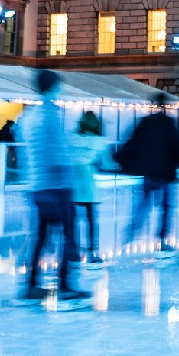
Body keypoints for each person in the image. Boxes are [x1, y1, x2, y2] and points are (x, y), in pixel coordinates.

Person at [14, 70, 91, 307]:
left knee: (40, 236)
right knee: (68, 235)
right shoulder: (52, 115)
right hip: (57, 186)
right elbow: (59, 151)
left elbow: (24, 151)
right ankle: (66, 286)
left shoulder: (27, 117)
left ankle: (30, 285)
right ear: (54, 86)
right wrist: (69, 174)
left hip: (37, 186)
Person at [119, 92, 179, 256]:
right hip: (164, 173)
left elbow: (133, 142)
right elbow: (176, 147)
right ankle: (162, 240)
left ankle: (133, 228)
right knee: (165, 207)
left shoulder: (146, 123)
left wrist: (122, 158)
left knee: (144, 203)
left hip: (149, 172)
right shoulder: (168, 123)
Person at [70, 110, 106, 267]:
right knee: (91, 219)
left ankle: (73, 253)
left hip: (73, 183)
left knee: (73, 219)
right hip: (88, 183)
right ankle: (92, 253)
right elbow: (105, 163)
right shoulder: (98, 142)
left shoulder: (72, 139)